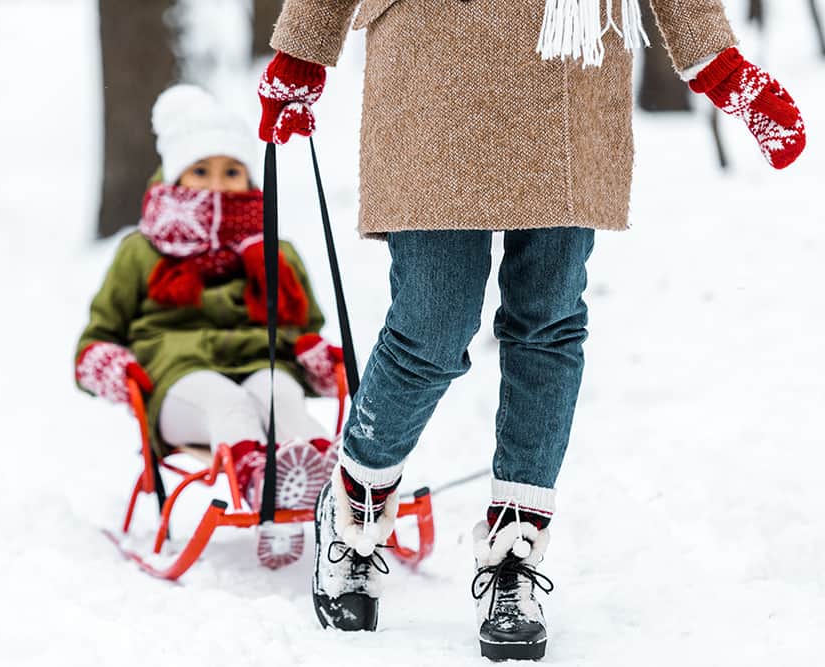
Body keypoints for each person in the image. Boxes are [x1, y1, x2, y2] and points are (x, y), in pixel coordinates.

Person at [256, 0, 806, 660]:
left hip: (566, 57)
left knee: (546, 322)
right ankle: (353, 508)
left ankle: (516, 547)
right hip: (434, 54)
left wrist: (717, 61)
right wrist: (303, 46)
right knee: (431, 324)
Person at [75, 85, 345, 569]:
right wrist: (113, 368)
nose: (217, 183)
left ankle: (322, 472)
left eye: (231, 171)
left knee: (277, 394)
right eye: (201, 170)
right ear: (176, 175)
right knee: (228, 401)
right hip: (179, 380)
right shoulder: (143, 251)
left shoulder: (275, 252)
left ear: (249, 179)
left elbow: (305, 326)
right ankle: (264, 484)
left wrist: (316, 355)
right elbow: (98, 338)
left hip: (261, 364)